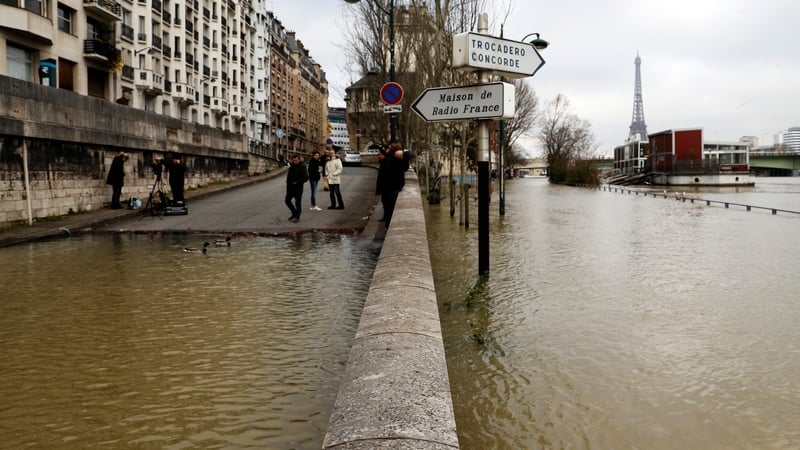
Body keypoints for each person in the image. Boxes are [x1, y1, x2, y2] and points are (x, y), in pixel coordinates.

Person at [379, 143, 411, 229]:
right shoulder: (395, 161)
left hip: (388, 188)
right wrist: (405, 153)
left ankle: (387, 226)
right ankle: (388, 226)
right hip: (392, 189)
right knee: (391, 209)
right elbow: (408, 157)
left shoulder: (390, 160)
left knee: (389, 209)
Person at [285, 154, 308, 222]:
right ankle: (294, 213)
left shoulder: (302, 166)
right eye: (293, 160)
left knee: (297, 202)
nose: (295, 161)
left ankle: (297, 217)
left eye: (296, 160)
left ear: (299, 159)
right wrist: (288, 182)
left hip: (298, 188)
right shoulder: (292, 165)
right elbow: (289, 175)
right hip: (290, 187)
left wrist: (296, 182)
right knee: (287, 201)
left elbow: (306, 178)